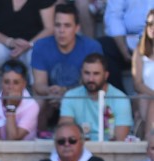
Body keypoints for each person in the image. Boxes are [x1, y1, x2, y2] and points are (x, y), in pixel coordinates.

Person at [31, 3, 103, 131]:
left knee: (93, 96)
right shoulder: (41, 46)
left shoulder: (92, 47)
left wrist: (66, 93)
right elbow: (39, 84)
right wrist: (50, 91)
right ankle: (37, 137)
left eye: (67, 26)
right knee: (38, 100)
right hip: (51, 101)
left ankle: (89, 134)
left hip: (80, 98)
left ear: (77, 28)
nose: (61, 31)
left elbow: (95, 84)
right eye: (57, 25)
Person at [0, 0, 55, 92]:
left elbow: (50, 29)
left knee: (36, 55)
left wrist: (29, 44)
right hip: (4, 44)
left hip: (32, 46)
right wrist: (10, 41)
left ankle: (37, 97)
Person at [60, 52, 132, 141]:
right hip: (80, 148)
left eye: (96, 73)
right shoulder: (70, 96)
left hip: (110, 149)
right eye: (87, 73)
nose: (91, 79)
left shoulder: (120, 99)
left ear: (106, 75)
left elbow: (119, 140)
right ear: (81, 73)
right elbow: (65, 132)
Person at [100, 0, 154, 92]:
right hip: (127, 41)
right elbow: (114, 16)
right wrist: (123, 50)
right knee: (104, 46)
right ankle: (119, 97)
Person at [0, 59, 40, 140]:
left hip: (24, 148)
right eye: (6, 82)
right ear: (1, 83)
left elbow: (13, 140)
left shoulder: (32, 106)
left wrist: (10, 106)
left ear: (24, 84)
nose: (10, 87)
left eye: (16, 82)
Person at [131, 9, 154, 139]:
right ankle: (149, 140)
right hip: (147, 96)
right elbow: (137, 84)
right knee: (143, 99)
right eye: (149, 24)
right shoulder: (139, 52)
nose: (152, 28)